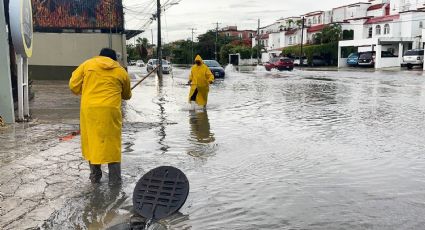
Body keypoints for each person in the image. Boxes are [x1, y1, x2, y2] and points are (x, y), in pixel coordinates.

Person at [69, 48, 132, 185]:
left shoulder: (87, 65)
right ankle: (115, 181)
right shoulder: (121, 71)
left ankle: (95, 177)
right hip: (110, 111)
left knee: (93, 142)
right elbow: (127, 95)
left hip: (90, 110)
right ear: (115, 59)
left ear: (99, 56)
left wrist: (86, 90)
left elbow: (73, 86)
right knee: (112, 144)